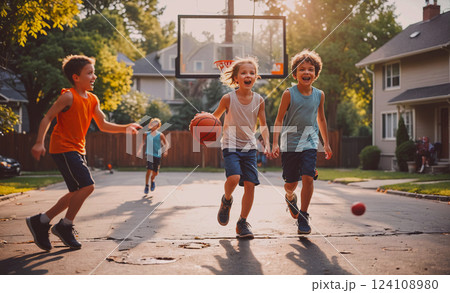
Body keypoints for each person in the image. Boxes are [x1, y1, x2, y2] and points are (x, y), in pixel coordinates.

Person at [27, 55, 141, 251]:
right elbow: (47, 118)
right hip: (63, 147)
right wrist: (39, 142)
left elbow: (103, 125)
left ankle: (41, 220)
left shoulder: (93, 99)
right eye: (89, 73)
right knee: (88, 186)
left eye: (93, 72)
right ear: (76, 77)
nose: (94, 76)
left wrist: (126, 127)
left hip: (78, 148)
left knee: (76, 192)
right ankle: (65, 226)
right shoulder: (68, 96)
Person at [272, 49, 332, 234]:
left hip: (309, 141)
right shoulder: (289, 94)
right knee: (290, 183)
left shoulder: (319, 95)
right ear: (295, 73)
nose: (306, 72)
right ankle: (290, 197)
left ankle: (304, 217)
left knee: (308, 177)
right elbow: (279, 119)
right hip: (290, 142)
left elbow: (321, 119)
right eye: (302, 69)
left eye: (310, 69)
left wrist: (326, 143)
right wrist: (275, 142)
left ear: (316, 73)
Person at [210, 57, 271, 239]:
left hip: (249, 147)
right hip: (230, 145)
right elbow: (214, 118)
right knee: (234, 178)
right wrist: (203, 119)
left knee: (250, 185)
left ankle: (242, 222)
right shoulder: (228, 99)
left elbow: (264, 125)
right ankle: (226, 200)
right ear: (236, 78)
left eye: (251, 73)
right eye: (243, 73)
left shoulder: (259, 100)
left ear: (255, 77)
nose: (248, 75)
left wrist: (266, 142)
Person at [142, 118, 168, 195]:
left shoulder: (160, 135)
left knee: (155, 172)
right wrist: (139, 149)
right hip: (149, 154)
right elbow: (143, 142)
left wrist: (165, 150)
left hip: (157, 155)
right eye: (152, 124)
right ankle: (146, 185)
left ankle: (152, 180)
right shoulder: (146, 134)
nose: (153, 125)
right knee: (149, 169)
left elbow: (165, 144)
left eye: (155, 124)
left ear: (157, 126)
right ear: (150, 125)